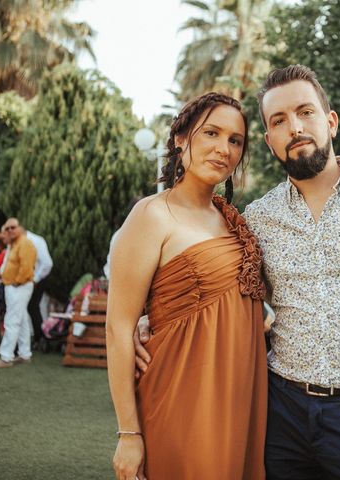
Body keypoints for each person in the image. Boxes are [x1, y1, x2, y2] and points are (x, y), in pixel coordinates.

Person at [136, 65, 340, 480]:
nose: (295, 127)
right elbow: (226, 289)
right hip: (281, 413)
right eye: (279, 121)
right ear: (269, 141)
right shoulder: (257, 218)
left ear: (331, 121)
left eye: (305, 112)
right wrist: (151, 320)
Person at [107, 92, 267, 480]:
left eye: (235, 140)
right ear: (181, 138)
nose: (223, 149)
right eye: (211, 133)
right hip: (180, 396)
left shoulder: (233, 221)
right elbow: (118, 328)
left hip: (239, 397)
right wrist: (129, 433)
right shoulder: (152, 214)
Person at [0, 218, 37, 369]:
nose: (9, 231)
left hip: (18, 286)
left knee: (12, 320)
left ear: (20, 227)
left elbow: (26, 267)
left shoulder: (24, 243)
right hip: (14, 286)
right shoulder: (13, 244)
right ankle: (25, 354)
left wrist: (17, 282)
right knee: (22, 319)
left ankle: (6, 357)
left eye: (12, 227)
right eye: (7, 228)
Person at [25, 228, 53, 347]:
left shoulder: (36, 240)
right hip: (29, 279)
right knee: (31, 308)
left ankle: (40, 338)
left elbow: (47, 264)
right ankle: (38, 337)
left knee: (33, 307)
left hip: (39, 278)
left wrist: (35, 280)